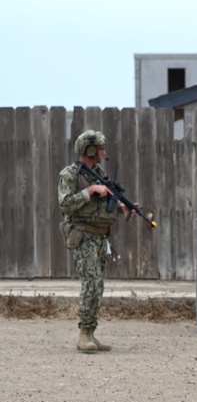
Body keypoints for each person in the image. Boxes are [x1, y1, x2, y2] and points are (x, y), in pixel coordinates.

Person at [57, 129, 134, 353]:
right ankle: (83, 334)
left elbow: (101, 205)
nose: (103, 152)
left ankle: (91, 332)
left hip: (100, 236)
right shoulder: (70, 175)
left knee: (98, 285)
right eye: (100, 148)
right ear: (89, 149)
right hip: (83, 235)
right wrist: (90, 191)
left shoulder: (97, 172)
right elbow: (65, 205)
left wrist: (121, 207)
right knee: (90, 283)